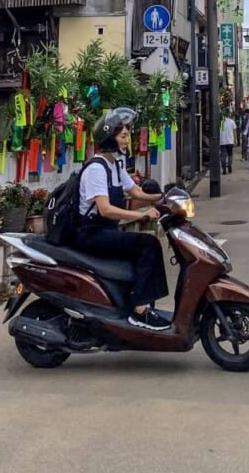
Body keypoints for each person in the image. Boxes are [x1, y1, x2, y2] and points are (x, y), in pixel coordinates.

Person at [75, 106, 171, 331]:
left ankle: (138, 302)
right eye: (123, 136)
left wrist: (165, 197)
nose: (128, 141)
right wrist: (141, 213)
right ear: (110, 139)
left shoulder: (115, 165)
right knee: (148, 245)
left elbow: (136, 192)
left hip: (105, 231)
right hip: (91, 234)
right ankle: (139, 310)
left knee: (143, 247)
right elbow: (105, 209)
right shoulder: (97, 169)